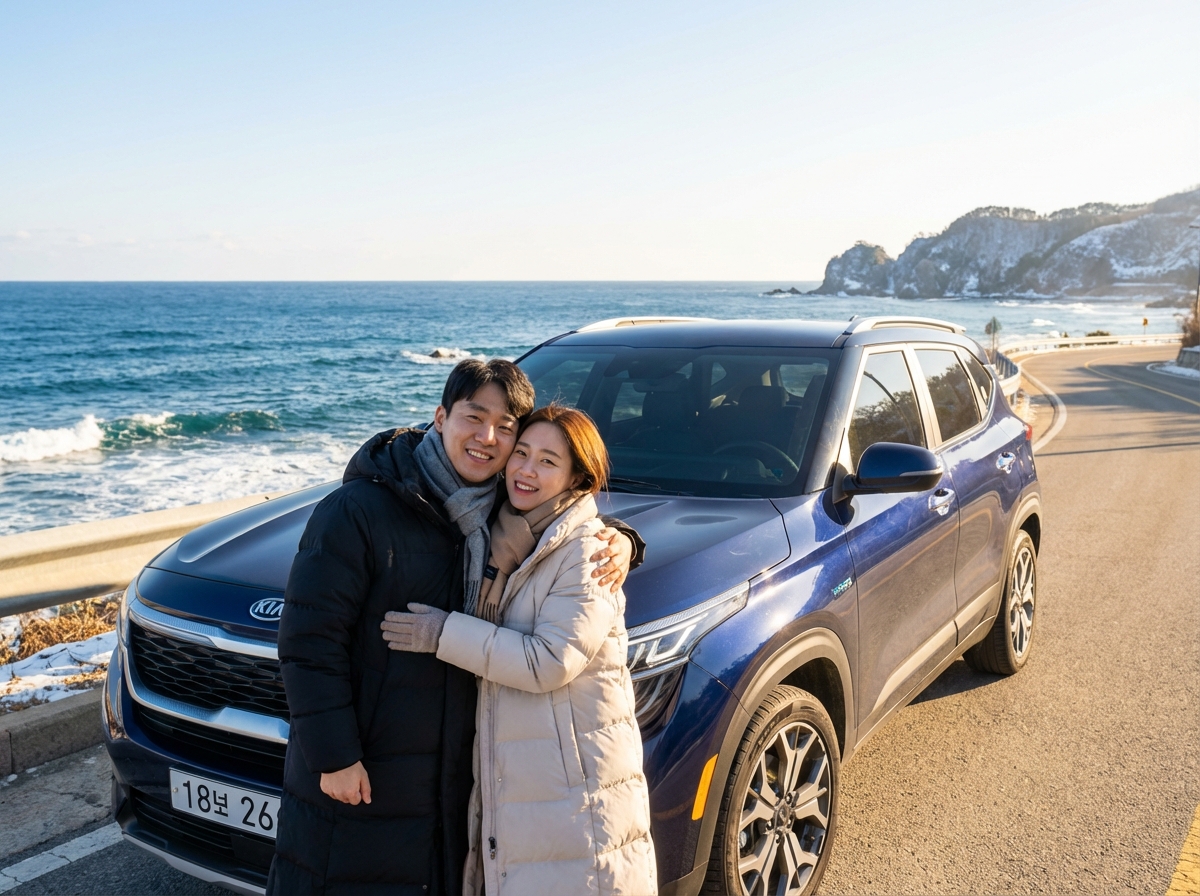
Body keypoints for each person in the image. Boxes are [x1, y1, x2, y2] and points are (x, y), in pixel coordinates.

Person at [268, 361, 642, 895]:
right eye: (474, 417)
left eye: (505, 427)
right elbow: (308, 642)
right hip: (368, 768)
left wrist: (623, 539)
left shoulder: (500, 514)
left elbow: (567, 521)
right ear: (440, 418)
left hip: (455, 784)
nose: (488, 438)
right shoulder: (359, 509)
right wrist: (334, 756)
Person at [382, 404, 657, 896]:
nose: (526, 470)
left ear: (578, 479)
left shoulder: (588, 552)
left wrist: (443, 634)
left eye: (548, 462)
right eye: (521, 453)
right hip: (523, 777)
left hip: (574, 788)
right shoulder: (497, 532)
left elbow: (549, 661)